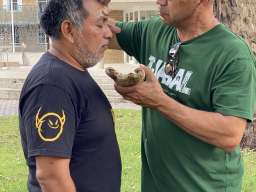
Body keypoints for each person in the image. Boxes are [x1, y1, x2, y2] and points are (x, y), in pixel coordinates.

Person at [109, 0, 256, 191]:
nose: (159, 1)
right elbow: (101, 30)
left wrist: (160, 102)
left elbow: (229, 134)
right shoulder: (154, 31)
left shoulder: (232, 55)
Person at [19, 0, 121, 191]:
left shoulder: (72, 71)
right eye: (100, 24)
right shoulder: (52, 85)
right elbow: (51, 178)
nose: (109, 33)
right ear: (69, 30)